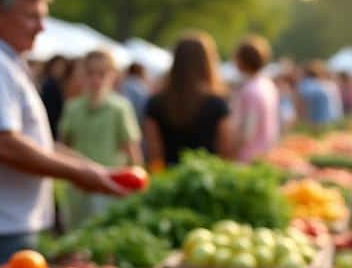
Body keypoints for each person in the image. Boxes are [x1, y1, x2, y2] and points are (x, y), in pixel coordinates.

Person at [0, 0, 123, 268]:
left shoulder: (1, 61)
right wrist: (79, 174)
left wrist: (88, 168)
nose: (41, 27)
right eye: (31, 16)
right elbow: (4, 144)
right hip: (1, 221)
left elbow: (33, 142)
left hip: (9, 218)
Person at [59, 50, 141, 229]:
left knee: (107, 233)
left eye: (101, 74)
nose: (96, 80)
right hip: (78, 187)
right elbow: (64, 146)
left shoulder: (120, 108)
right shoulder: (73, 108)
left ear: (112, 76)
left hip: (111, 185)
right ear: (82, 75)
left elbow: (130, 148)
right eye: (90, 74)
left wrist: (138, 181)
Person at [144, 31, 233, 166]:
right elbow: (225, 149)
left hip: (168, 179)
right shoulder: (217, 103)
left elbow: (154, 151)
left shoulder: (156, 102)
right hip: (207, 178)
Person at [232, 35, 280, 162]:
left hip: (248, 156)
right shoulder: (268, 84)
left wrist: (232, 149)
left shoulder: (249, 90)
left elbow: (247, 131)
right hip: (266, 151)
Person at [298, 61, 339, 127]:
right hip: (327, 120)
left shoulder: (306, 85)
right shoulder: (327, 85)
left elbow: (302, 105)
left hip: (314, 122)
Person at [39, 55, 70, 136]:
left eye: (62, 67)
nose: (59, 69)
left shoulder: (59, 85)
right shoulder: (49, 86)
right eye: (57, 66)